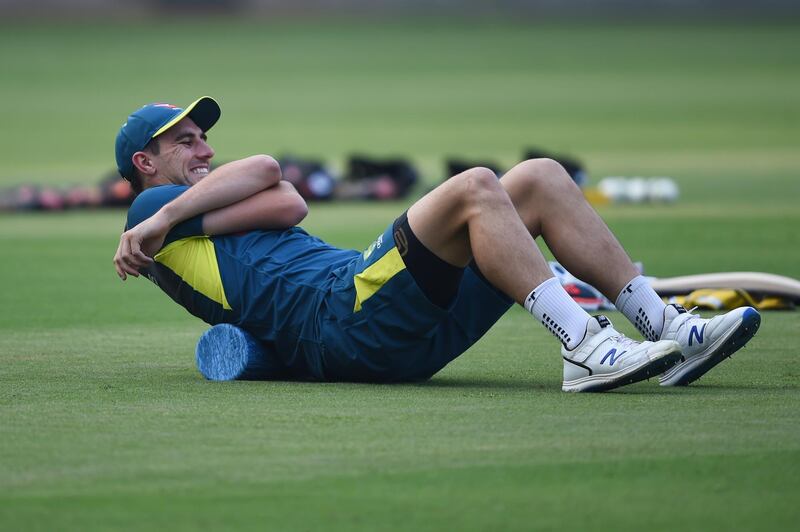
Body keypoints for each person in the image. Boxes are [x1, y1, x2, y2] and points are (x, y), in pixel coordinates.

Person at [113, 97, 761, 392]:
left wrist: (184, 213)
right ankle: (587, 348)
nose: (205, 150)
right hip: (344, 316)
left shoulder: (179, 215)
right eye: (187, 142)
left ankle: (668, 331)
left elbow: (286, 195)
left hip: (382, 322)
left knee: (537, 178)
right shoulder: (145, 212)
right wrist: (148, 225)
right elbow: (262, 169)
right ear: (145, 163)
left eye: (203, 138)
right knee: (477, 185)